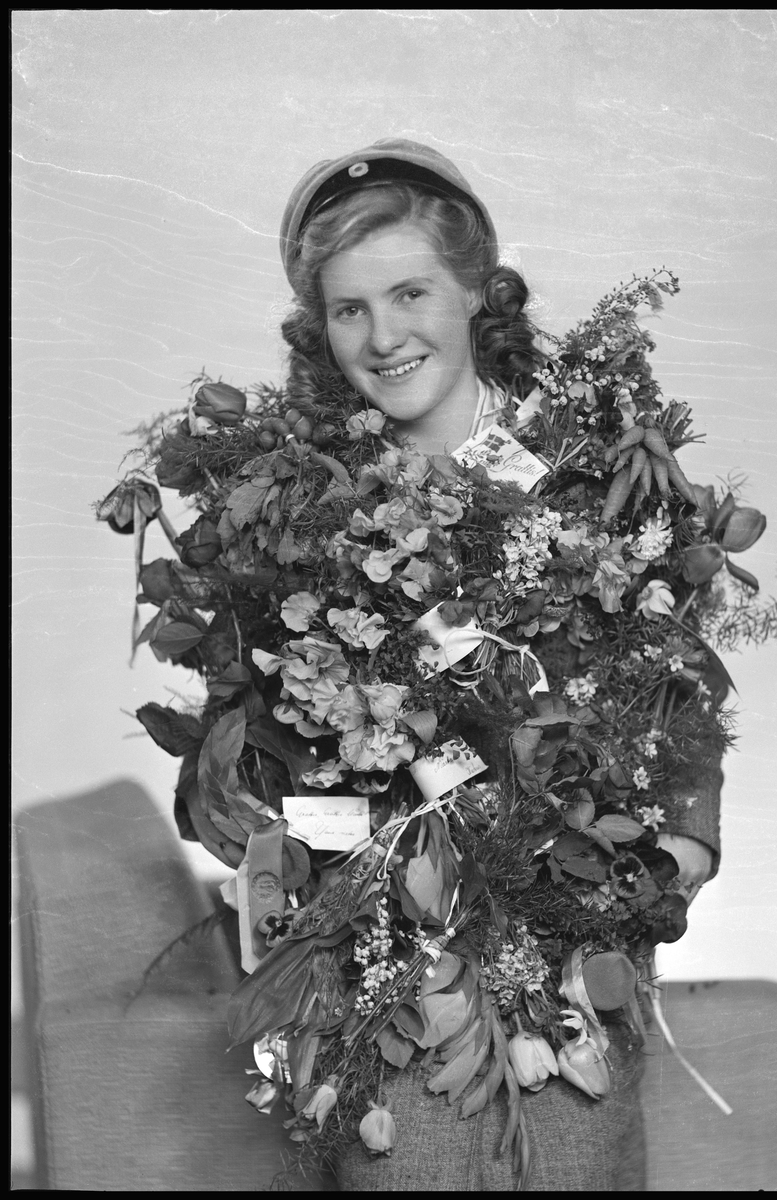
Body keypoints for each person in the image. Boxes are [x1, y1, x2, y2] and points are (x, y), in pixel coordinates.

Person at [179, 138, 721, 1190]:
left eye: (410, 292)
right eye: (349, 309)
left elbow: (682, 688)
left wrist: (681, 849)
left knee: (575, 1162)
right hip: (388, 963)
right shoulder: (291, 504)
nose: (383, 338)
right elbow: (240, 746)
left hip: (572, 954)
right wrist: (244, 806)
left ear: (477, 287)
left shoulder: (591, 469)